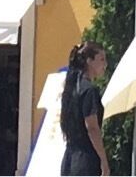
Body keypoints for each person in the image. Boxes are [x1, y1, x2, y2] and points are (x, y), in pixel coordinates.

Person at [57, 44, 108, 177]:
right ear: (89, 61)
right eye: (102, 59)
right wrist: (104, 160)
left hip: (69, 158)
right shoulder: (89, 90)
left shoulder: (70, 89)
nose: (105, 65)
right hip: (86, 160)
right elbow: (92, 127)